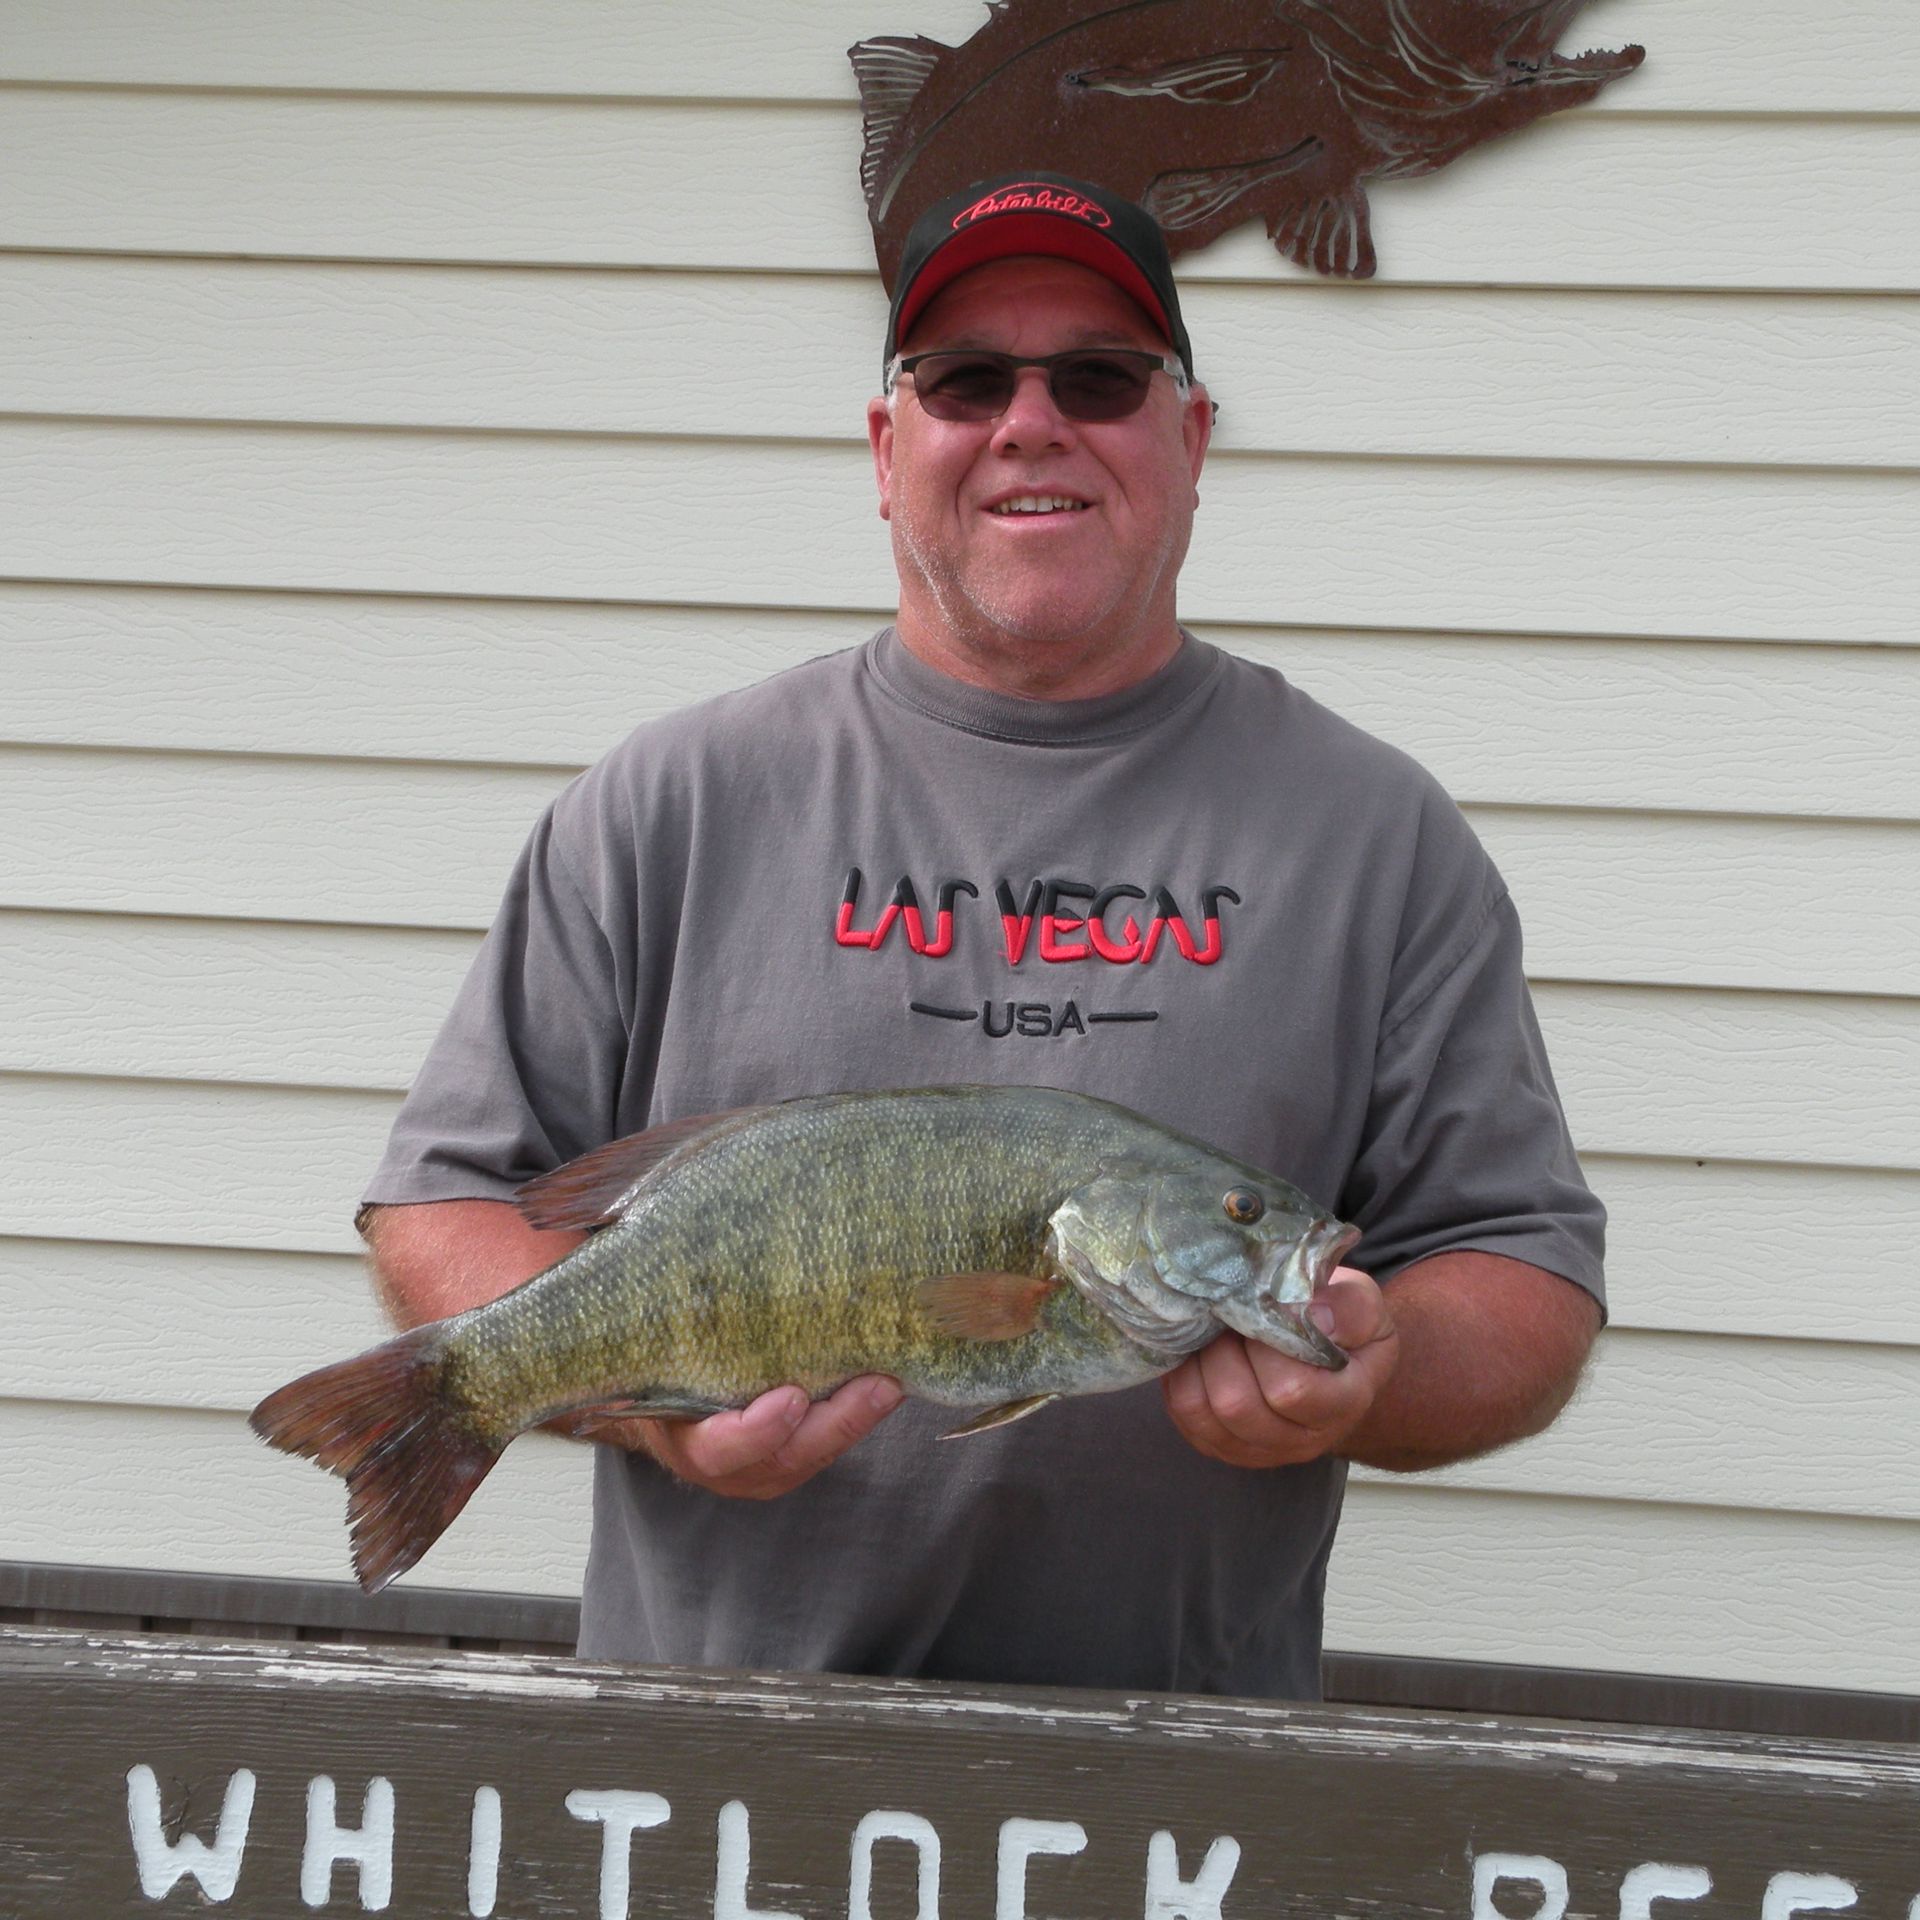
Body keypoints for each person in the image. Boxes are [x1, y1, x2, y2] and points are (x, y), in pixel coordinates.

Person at [359, 171, 1604, 1698]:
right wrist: (648, 1401)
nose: (1032, 423)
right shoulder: (666, 803)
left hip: (1182, 1802)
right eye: (964, 381)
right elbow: (441, 1201)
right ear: (889, 450)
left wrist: (1375, 1371)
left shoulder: (1375, 836)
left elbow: (1522, 1274)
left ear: (1192, 441)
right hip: (721, 1776)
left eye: (1100, 376)